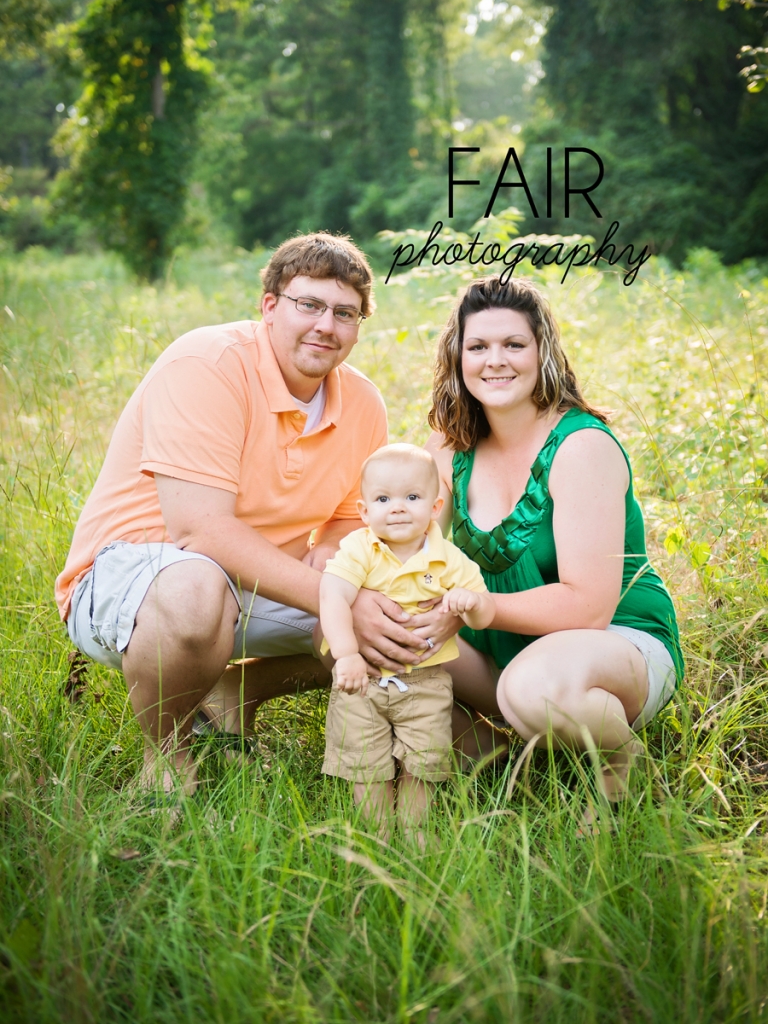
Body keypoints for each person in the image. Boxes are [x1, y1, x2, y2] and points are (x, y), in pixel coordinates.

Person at [54, 233, 447, 796]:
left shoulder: (362, 402)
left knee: (398, 609)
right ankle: (167, 758)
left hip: (256, 582)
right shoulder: (206, 364)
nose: (326, 325)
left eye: (345, 313)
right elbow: (200, 532)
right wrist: (338, 599)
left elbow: (346, 519)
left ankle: (237, 693)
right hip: (138, 580)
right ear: (269, 306)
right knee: (196, 589)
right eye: (308, 305)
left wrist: (336, 559)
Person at [425, 276, 683, 820]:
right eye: (478, 346)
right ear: (458, 357)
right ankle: (491, 750)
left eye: (513, 344)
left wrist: (483, 606)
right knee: (367, 631)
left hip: (610, 647)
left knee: (534, 686)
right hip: (502, 652)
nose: (495, 361)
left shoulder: (581, 446)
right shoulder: (451, 446)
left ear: (542, 352)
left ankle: (623, 767)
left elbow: (588, 607)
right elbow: (410, 550)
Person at [317, 444, 494, 836]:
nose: (397, 508)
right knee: (365, 764)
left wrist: (472, 604)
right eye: (383, 499)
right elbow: (332, 595)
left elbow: (484, 614)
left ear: (435, 507)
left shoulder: (448, 559)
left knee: (425, 763)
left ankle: (417, 834)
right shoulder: (360, 548)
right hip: (363, 680)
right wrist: (346, 655)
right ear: (364, 511)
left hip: (426, 682)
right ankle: (375, 835)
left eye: (412, 497)